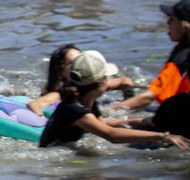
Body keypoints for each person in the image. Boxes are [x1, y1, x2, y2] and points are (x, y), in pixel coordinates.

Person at [39, 50, 189, 149]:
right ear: (100, 83)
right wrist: (162, 136)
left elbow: (102, 124)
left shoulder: (86, 99)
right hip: (54, 156)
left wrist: (136, 123)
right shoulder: (74, 109)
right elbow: (111, 135)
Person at [117, 0, 190, 112]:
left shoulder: (181, 57)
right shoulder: (183, 49)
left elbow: (148, 97)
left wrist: (111, 110)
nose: (167, 23)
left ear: (184, 25)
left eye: (172, 19)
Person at [27, 44, 135, 117]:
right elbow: (34, 105)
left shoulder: (94, 82)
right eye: (75, 62)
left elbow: (124, 81)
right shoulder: (58, 95)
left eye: (83, 59)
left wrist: (126, 102)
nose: (83, 64)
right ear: (61, 72)